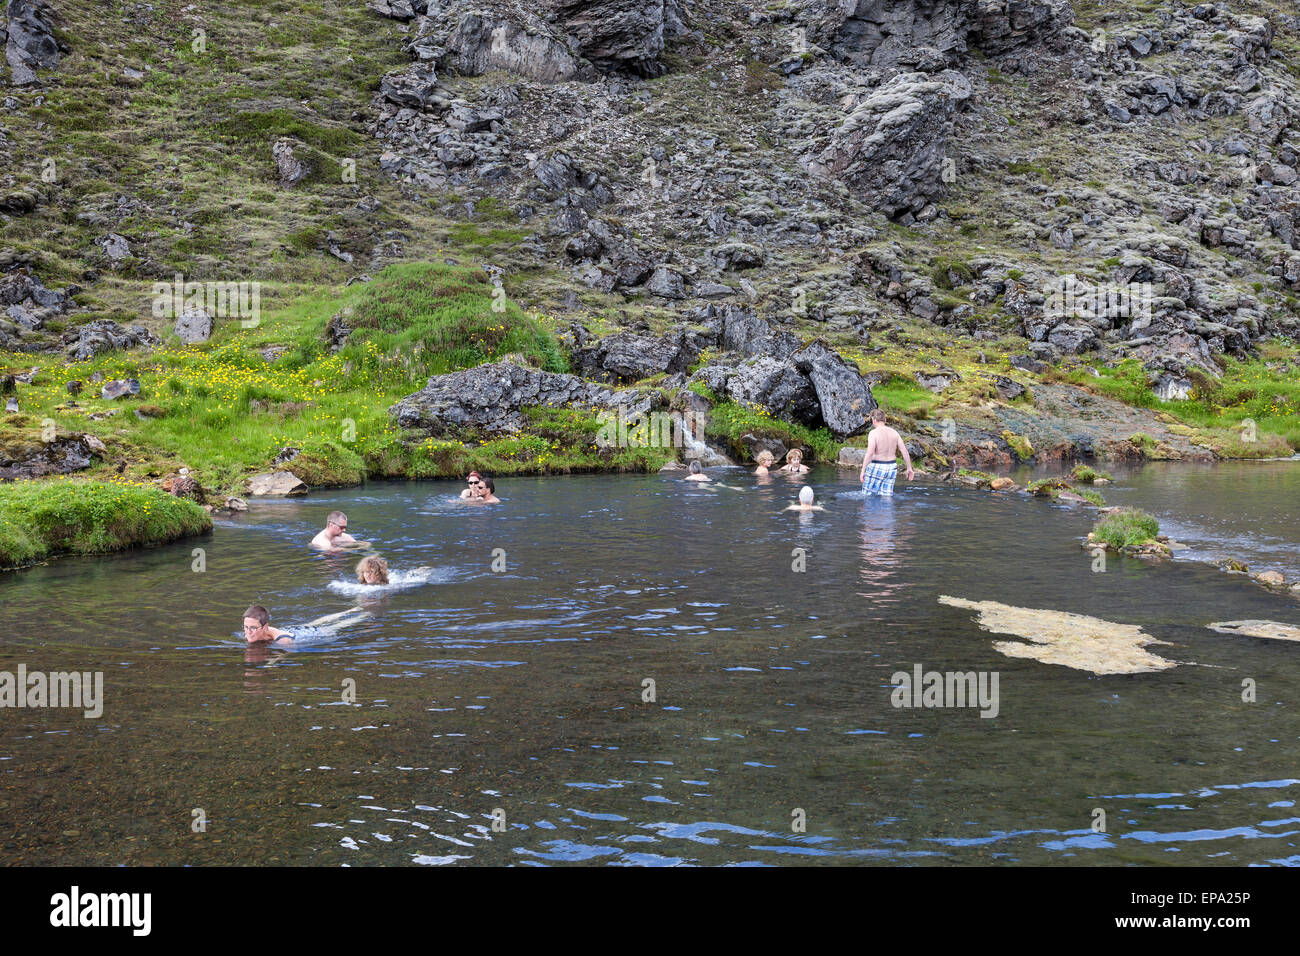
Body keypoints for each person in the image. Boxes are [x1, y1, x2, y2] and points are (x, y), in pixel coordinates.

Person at [858, 408, 915, 496]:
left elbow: (870, 453)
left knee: (867, 495)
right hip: (891, 467)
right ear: (885, 419)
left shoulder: (873, 433)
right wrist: (909, 468)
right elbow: (904, 451)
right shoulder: (894, 432)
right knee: (887, 496)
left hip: (877, 466)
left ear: (874, 420)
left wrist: (863, 470)